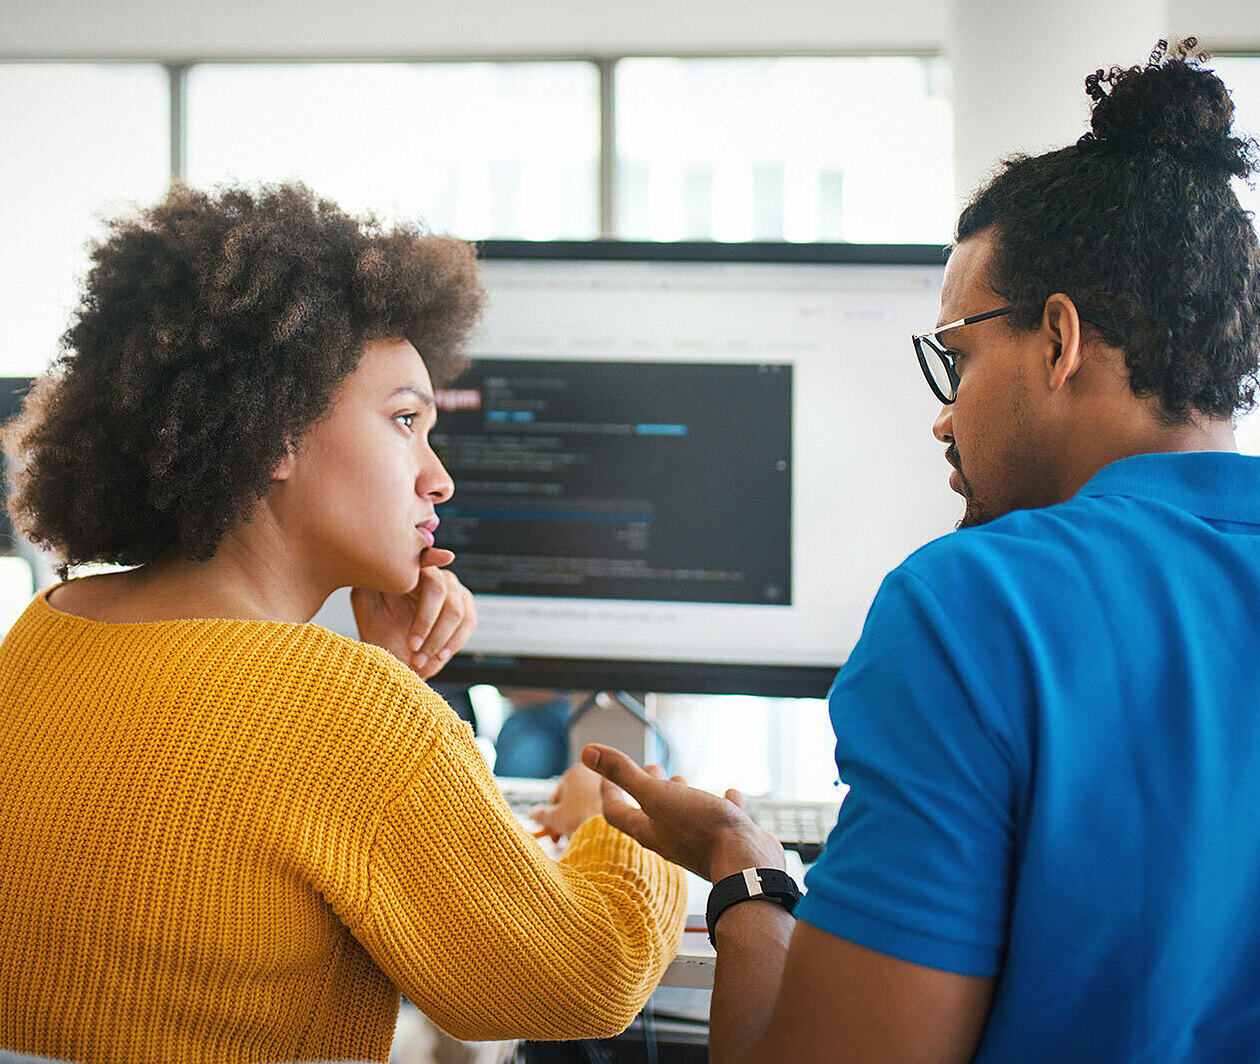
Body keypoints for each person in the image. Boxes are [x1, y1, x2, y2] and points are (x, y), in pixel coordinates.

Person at [580, 40, 1260, 1064]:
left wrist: (746, 871)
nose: (942, 423)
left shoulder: (978, 606)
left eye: (958, 357)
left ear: (1058, 339)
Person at [0, 184, 685, 1062]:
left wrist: (389, 680)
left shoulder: (48, 628)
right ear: (270, 436)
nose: (438, 478)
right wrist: (620, 825)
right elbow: (584, 981)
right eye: (405, 421)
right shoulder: (341, 713)